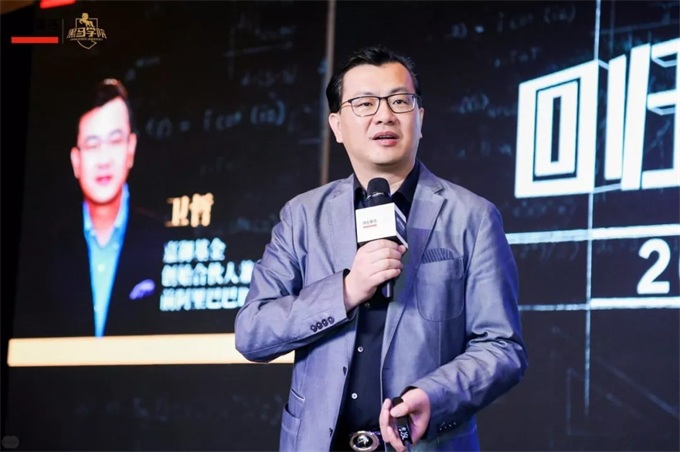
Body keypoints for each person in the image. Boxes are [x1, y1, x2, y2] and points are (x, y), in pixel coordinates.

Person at [234, 45, 528, 451]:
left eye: (399, 101)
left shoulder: (472, 217)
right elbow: (253, 332)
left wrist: (434, 396)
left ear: (420, 118)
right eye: (364, 103)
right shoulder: (302, 216)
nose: (384, 115)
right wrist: (346, 291)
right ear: (337, 126)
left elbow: (502, 347)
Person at [13, 78, 168, 338]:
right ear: (76, 160)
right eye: (93, 145)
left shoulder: (163, 237)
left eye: (115, 141)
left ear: (131, 148)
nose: (104, 160)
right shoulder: (43, 247)